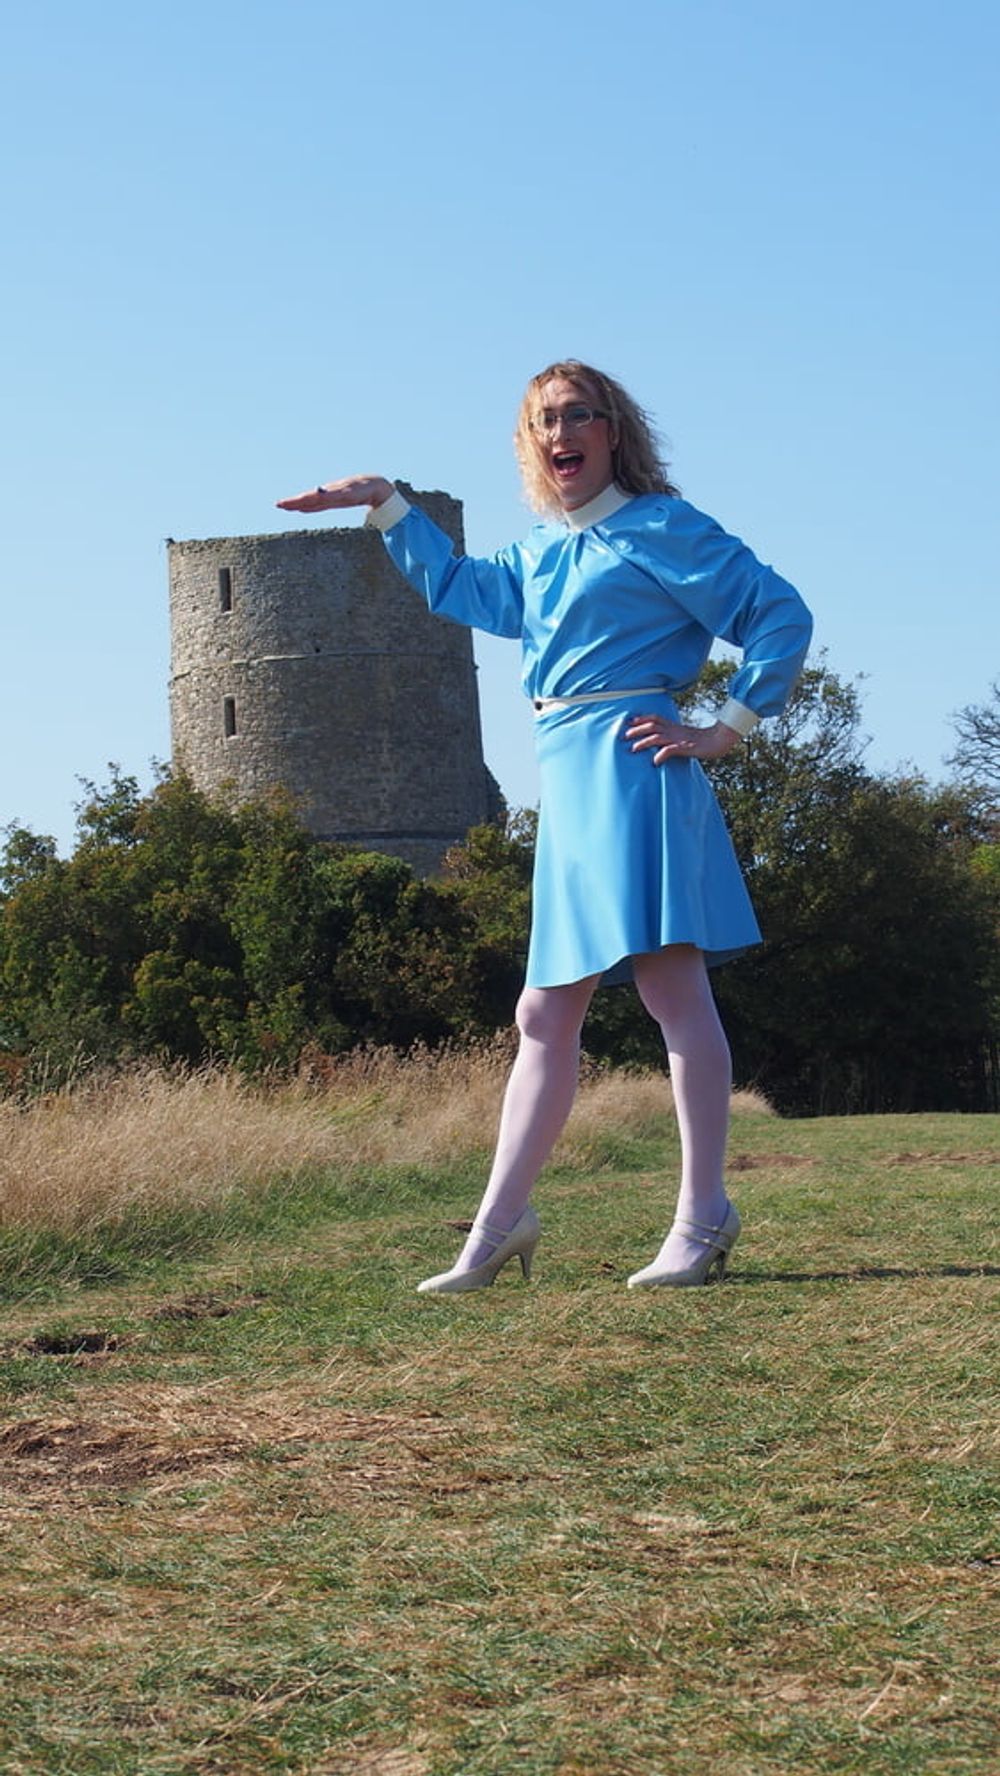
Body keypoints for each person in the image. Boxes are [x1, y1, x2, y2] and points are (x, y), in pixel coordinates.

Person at [277, 360, 812, 1293]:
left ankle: (703, 1217)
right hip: (565, 782)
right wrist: (388, 505)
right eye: (541, 423)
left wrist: (724, 729)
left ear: (612, 430)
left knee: (671, 990)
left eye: (575, 416)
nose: (558, 434)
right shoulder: (538, 553)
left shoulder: (660, 529)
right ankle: (497, 1227)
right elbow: (462, 591)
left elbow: (778, 613)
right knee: (542, 1011)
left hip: (639, 768)